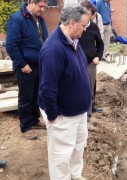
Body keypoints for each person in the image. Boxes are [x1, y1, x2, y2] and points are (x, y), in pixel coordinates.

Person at [38, 6, 91, 180]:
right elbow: (48, 88)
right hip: (63, 115)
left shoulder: (73, 41)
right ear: (72, 23)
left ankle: (75, 175)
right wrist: (53, 116)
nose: (85, 29)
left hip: (79, 111)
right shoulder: (53, 50)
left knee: (77, 148)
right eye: (83, 25)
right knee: (60, 155)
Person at [5, 0, 48, 140]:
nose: (43, 9)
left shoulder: (39, 19)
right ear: (31, 2)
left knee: (36, 94)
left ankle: (35, 120)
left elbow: (43, 39)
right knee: (26, 97)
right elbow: (11, 45)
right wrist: (22, 64)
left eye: (44, 6)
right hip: (25, 66)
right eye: (40, 6)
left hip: (38, 64)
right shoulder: (17, 19)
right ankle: (26, 127)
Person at [78, 0, 104, 121]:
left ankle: (87, 114)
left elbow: (100, 44)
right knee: (78, 87)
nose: (86, 16)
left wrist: (98, 56)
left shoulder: (93, 27)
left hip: (90, 62)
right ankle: (80, 111)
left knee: (89, 87)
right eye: (84, 13)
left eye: (88, 13)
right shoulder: (74, 25)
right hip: (76, 62)